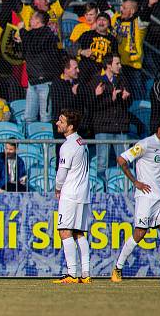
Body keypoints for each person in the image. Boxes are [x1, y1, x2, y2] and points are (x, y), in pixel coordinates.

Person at [112, 117, 160, 283]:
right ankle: (118, 268)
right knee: (140, 233)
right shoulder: (145, 144)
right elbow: (121, 160)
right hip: (146, 197)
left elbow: (157, 168)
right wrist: (135, 182)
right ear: (159, 130)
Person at [53, 109, 91, 284]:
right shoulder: (81, 141)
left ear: (70, 126)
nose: (57, 123)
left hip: (70, 193)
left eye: (61, 121)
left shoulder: (68, 146)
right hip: (83, 193)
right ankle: (85, 273)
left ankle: (71, 274)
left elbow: (62, 173)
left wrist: (58, 189)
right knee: (79, 233)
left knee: (64, 231)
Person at [91, 55, 132, 188]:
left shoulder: (123, 80)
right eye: (117, 64)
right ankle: (101, 190)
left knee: (124, 161)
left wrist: (125, 98)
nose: (120, 66)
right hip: (103, 127)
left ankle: (123, 188)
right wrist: (109, 98)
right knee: (102, 162)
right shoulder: (97, 80)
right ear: (109, 65)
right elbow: (92, 106)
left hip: (120, 126)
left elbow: (129, 104)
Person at [77, 12, 118, 80]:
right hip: (86, 70)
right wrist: (81, 51)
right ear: (96, 22)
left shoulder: (112, 39)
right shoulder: (87, 35)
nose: (101, 22)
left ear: (109, 24)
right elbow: (71, 48)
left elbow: (116, 57)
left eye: (104, 20)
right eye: (99, 20)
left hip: (104, 72)